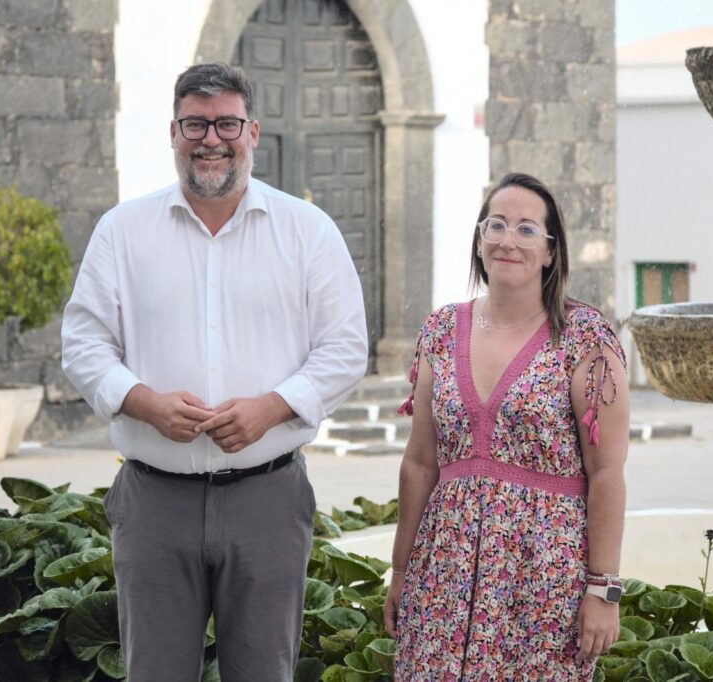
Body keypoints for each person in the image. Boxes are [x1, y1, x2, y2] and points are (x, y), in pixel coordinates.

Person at [61, 62, 368, 681]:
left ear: (252, 131)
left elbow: (345, 347)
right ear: (173, 133)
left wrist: (271, 408)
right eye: (195, 124)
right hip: (154, 502)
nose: (211, 139)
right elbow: (83, 344)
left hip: (268, 500)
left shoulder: (307, 231)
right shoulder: (122, 231)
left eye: (227, 123)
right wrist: (143, 402)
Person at [384, 172, 629, 680]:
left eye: (526, 229)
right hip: (442, 576)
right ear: (479, 241)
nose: (507, 240)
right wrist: (401, 570)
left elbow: (607, 472)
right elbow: (420, 462)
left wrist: (603, 589)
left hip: (544, 580)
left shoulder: (585, 338)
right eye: (495, 225)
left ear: (551, 251)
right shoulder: (442, 330)